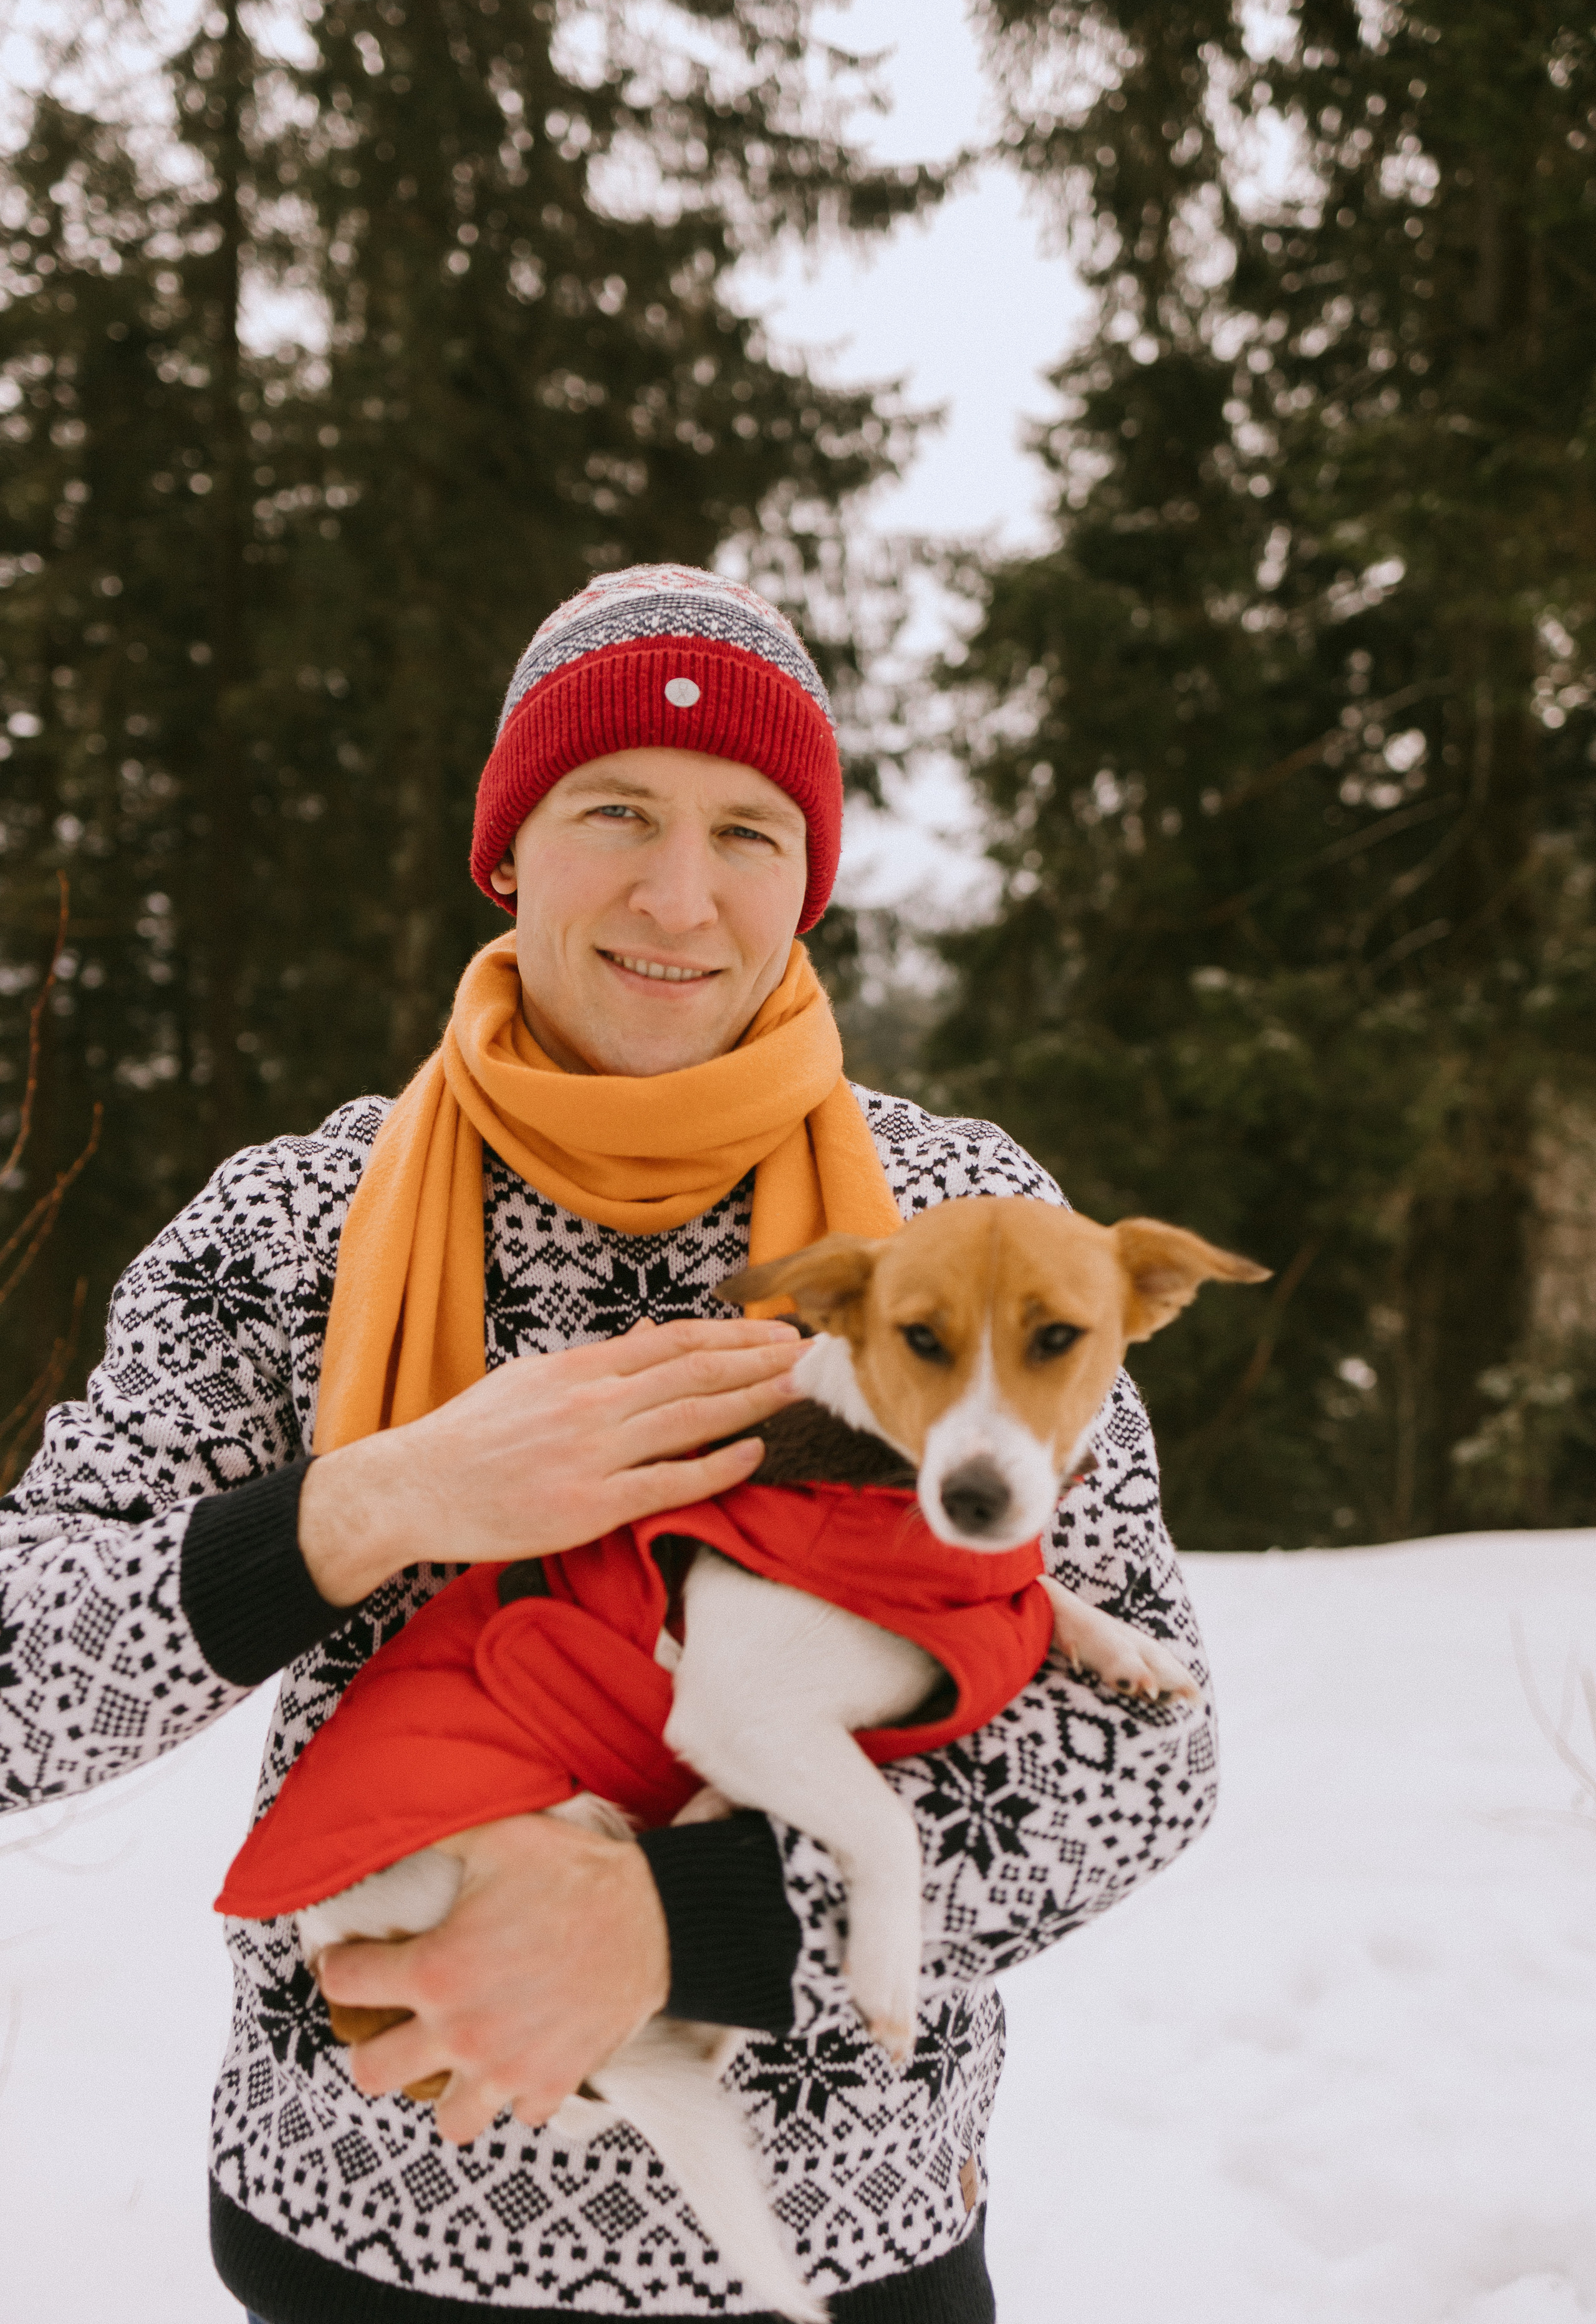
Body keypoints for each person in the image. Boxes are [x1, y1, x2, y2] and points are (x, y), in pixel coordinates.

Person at [0, 564, 1218, 2324]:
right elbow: (20, 1686)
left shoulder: (970, 1224)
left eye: (747, 831)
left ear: (810, 883)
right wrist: (383, 1498)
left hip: (837, 2241)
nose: (678, 892)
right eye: (618, 810)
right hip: (370, 2222)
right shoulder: (295, 1223)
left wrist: (679, 1920)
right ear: (510, 849)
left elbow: (1143, 1758)